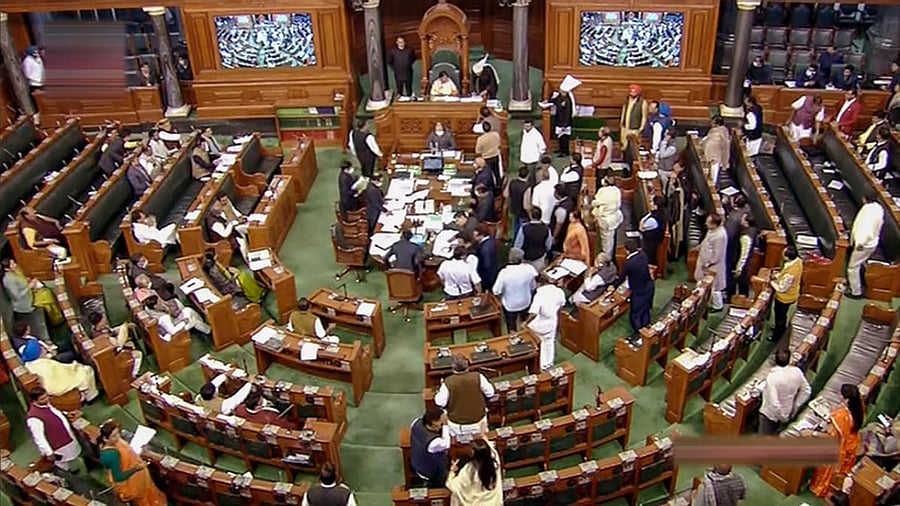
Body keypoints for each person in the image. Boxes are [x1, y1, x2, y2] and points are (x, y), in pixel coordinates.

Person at [808, 384, 865, 498]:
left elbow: (831, 437)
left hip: (838, 447)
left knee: (825, 471)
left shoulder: (840, 415)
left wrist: (812, 433)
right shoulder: (860, 406)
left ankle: (820, 488)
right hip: (851, 443)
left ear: (847, 399)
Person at [97, 419, 167, 506]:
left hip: (138, 476)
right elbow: (118, 477)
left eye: (118, 433)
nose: (118, 437)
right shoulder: (111, 454)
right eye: (114, 436)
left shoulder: (114, 442)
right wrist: (137, 468)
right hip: (132, 483)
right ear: (105, 439)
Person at [434, 354, 495, 435]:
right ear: (468, 366)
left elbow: (440, 402)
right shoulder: (478, 377)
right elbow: (490, 393)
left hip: (458, 425)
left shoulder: (448, 382)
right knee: (482, 444)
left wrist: (439, 392)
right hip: (479, 421)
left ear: (453, 368)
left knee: (460, 446)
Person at [26, 386, 82, 471]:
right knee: (61, 465)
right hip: (57, 445)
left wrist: (66, 414)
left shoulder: (46, 404)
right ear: (34, 401)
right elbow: (39, 438)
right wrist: (49, 452)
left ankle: (69, 472)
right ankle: (65, 479)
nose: (46, 399)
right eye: (42, 399)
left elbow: (55, 413)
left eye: (46, 396)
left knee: (69, 458)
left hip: (65, 437)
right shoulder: (34, 418)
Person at [758, 349, 811, 435]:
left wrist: (781, 416)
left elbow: (774, 403)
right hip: (788, 411)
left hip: (770, 415)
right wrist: (795, 406)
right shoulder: (797, 372)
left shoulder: (772, 378)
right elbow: (807, 391)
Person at [2, 258, 52, 340]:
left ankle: (46, 337)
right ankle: (44, 340)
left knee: (41, 321)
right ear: (7, 269)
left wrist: (29, 282)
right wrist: (30, 286)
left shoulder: (17, 272)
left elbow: (22, 283)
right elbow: (17, 296)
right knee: (36, 325)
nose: (15, 265)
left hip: (32, 299)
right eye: (12, 264)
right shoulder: (8, 280)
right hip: (25, 307)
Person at [445, 436, 503, 506]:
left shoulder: (470, 470)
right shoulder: (495, 461)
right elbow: (488, 447)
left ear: (473, 453)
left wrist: (452, 472)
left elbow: (453, 486)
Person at [847, 193, 884, 299]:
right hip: (872, 242)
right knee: (861, 263)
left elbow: (866, 230)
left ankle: (856, 292)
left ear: (865, 199)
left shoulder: (868, 211)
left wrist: (860, 243)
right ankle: (863, 282)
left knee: (852, 267)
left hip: (864, 244)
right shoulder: (878, 208)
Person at [492, 248, 538, 332]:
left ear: (509, 258)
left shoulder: (504, 273)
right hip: (525, 302)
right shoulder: (530, 269)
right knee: (526, 323)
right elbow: (533, 286)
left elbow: (496, 291)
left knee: (511, 325)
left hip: (510, 305)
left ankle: (513, 338)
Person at [527, 277, 566, 369]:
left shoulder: (539, 295)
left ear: (539, 284)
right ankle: (548, 364)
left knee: (537, 343)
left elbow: (533, 313)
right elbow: (560, 308)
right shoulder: (559, 291)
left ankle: (539, 365)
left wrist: (525, 323)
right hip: (552, 322)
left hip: (538, 324)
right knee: (549, 343)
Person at [616, 240, 655, 332]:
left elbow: (622, 277)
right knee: (645, 309)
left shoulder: (629, 263)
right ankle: (646, 327)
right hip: (649, 286)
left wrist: (613, 286)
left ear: (627, 250)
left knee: (636, 313)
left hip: (639, 291)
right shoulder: (643, 255)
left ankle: (638, 333)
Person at [88, 312, 142, 377]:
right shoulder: (100, 336)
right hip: (114, 355)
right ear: (100, 321)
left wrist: (125, 326)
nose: (105, 319)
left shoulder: (102, 328)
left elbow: (112, 331)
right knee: (138, 354)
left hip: (115, 347)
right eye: (103, 318)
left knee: (130, 343)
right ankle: (133, 375)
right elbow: (118, 344)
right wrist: (123, 331)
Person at [409, 409, 450, 488]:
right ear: (434, 426)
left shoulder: (416, 422)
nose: (441, 427)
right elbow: (446, 444)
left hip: (415, 460)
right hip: (429, 471)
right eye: (440, 425)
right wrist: (445, 425)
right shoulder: (434, 442)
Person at [769, 247, 802, 342]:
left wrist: (771, 282)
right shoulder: (797, 261)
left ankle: (777, 336)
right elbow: (784, 275)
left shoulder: (790, 273)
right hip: (791, 293)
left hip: (785, 298)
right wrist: (777, 276)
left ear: (787, 257)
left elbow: (782, 288)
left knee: (780, 316)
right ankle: (779, 329)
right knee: (781, 316)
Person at [696, 214, 728, 311]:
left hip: (713, 265)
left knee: (714, 287)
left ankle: (718, 306)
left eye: (708, 222)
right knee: (704, 284)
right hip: (705, 261)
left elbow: (718, 253)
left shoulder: (720, 236)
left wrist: (709, 263)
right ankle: (702, 301)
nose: (706, 223)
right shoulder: (712, 230)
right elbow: (706, 241)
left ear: (715, 224)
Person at [143, 294, 211, 338]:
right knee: (193, 320)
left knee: (187, 310)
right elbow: (172, 332)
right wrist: (184, 322)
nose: (162, 303)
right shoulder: (163, 318)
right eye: (159, 302)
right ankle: (209, 331)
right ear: (155, 306)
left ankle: (205, 326)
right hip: (174, 332)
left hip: (173, 323)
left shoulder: (148, 308)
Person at [592, 175, 624, 259]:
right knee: (610, 239)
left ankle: (607, 259)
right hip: (615, 216)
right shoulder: (616, 190)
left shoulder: (603, 191)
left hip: (606, 219)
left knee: (607, 242)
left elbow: (596, 202)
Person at [733, 214, 758, 297]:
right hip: (749, 261)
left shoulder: (746, 237)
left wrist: (739, 268)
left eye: (743, 219)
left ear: (747, 223)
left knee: (742, 282)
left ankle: (742, 299)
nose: (741, 220)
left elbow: (744, 254)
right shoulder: (753, 230)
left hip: (744, 265)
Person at [548, 81, 575, 157]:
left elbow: (567, 114)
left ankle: (565, 152)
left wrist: (564, 125)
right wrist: (550, 99)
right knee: (559, 137)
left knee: (564, 138)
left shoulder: (567, 101)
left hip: (564, 123)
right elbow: (554, 101)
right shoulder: (560, 97)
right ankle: (560, 149)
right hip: (559, 121)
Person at [503, 166, 531, 238]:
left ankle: (514, 242)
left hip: (514, 209)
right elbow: (526, 205)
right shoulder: (527, 187)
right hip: (523, 213)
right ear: (528, 175)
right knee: (522, 231)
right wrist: (530, 215)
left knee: (516, 228)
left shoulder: (512, 182)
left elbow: (505, 194)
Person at [639, 195, 666, 267]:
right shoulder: (662, 214)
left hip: (649, 248)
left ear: (656, 206)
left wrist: (649, 214)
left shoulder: (652, 220)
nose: (650, 203)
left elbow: (641, 226)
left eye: (652, 202)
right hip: (654, 243)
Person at [702, 116, 731, 183]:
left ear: (717, 124)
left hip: (715, 156)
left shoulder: (723, 132)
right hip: (708, 154)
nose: (711, 124)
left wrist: (725, 162)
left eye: (713, 123)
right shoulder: (712, 130)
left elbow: (726, 147)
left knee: (713, 177)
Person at [620, 84, 649, 150]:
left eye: (634, 92)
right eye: (631, 92)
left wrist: (640, 129)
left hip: (635, 129)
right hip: (625, 128)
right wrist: (621, 124)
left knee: (633, 147)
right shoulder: (627, 100)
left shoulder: (642, 102)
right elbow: (623, 112)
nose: (632, 93)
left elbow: (644, 117)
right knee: (624, 147)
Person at [549, 184, 575, 257]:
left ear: (558, 194)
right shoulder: (569, 201)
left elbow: (559, 225)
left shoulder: (561, 209)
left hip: (560, 238)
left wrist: (554, 237)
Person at [472, 224, 498, 291]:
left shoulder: (485, 249)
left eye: (475, 236)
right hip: (493, 271)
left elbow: (486, 264)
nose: (473, 237)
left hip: (486, 276)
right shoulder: (490, 241)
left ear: (481, 235)